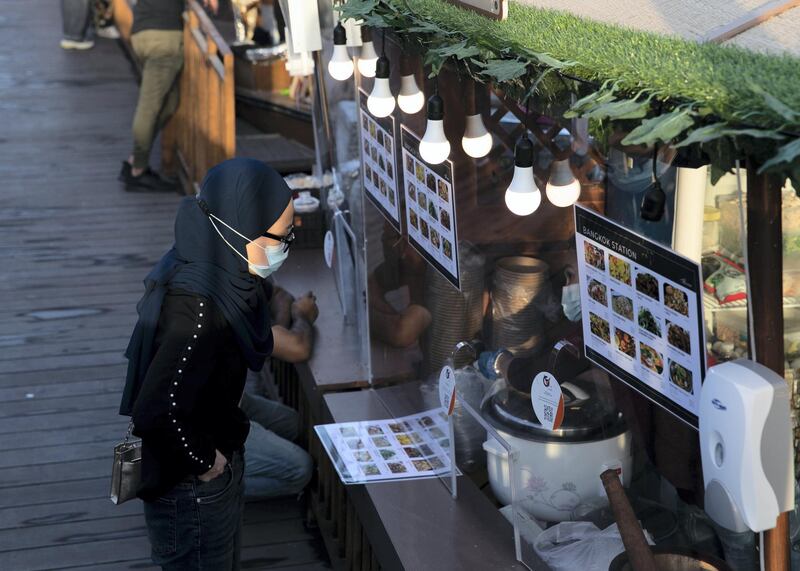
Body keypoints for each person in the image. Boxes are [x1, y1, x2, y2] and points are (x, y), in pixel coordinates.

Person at [120, 158, 295, 569]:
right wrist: (204, 462)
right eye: (280, 236)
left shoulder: (218, 266)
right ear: (239, 227)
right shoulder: (198, 310)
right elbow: (156, 411)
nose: (286, 245)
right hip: (191, 493)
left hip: (216, 466)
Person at [118, 0, 218, 192]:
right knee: (149, 107)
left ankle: (136, 159)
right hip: (164, 37)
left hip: (142, 33)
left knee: (171, 101)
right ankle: (137, 169)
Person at [241, 288, 318, 499]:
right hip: (200, 422)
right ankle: (197, 487)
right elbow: (298, 348)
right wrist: (302, 316)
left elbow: (278, 295)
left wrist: (280, 326)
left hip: (230, 400)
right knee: (301, 470)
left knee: (294, 425)